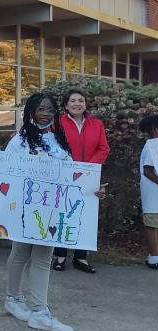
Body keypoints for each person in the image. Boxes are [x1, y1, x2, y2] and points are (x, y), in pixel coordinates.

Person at [0, 93, 104, 331]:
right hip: (23, 208)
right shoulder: (18, 142)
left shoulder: (58, 141)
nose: (46, 114)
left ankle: (39, 312)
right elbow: (4, 174)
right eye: (41, 109)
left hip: (50, 210)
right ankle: (14, 299)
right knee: (20, 252)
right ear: (31, 111)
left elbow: (72, 176)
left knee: (42, 257)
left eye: (50, 110)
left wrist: (93, 190)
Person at [53, 89, 110, 272]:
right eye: (73, 101)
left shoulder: (96, 124)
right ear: (65, 105)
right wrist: (70, 165)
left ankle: (81, 257)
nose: (77, 103)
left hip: (89, 175)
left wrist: (88, 168)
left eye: (81, 100)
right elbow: (52, 147)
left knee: (86, 215)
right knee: (62, 213)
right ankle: (60, 255)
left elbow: (103, 148)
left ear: (85, 104)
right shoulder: (57, 123)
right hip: (63, 174)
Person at [139, 114, 158, 270]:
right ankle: (154, 257)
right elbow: (148, 170)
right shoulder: (152, 145)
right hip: (153, 194)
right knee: (152, 225)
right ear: (155, 129)